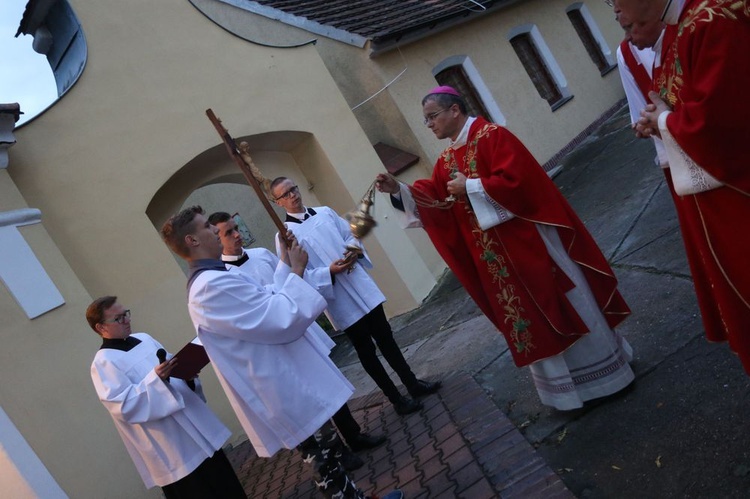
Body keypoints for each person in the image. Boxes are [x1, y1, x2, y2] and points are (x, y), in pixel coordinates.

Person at [375, 86, 635, 410]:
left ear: (454, 110)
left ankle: (605, 377)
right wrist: (399, 190)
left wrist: (470, 187)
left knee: (560, 301)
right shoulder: (445, 159)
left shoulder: (493, 136)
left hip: (527, 245)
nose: (429, 125)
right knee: (528, 317)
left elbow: (521, 183)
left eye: (432, 117)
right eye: (426, 120)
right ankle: (566, 394)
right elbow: (439, 200)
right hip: (496, 262)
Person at [160, 206, 402, 499]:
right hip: (279, 383)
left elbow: (268, 297)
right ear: (192, 241)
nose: (215, 231)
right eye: (207, 228)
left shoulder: (216, 278)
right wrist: (298, 271)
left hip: (285, 375)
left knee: (327, 453)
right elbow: (278, 318)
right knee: (322, 460)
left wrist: (287, 260)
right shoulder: (210, 287)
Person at [615, 0, 750, 374]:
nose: (617, 15)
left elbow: (725, 119)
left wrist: (665, 120)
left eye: (615, 3)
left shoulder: (710, 19)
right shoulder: (680, 26)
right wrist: (660, 117)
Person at [207, 211, 387, 459]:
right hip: (278, 341)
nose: (237, 235)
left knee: (327, 385)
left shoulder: (260, 255)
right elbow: (271, 297)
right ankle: (335, 453)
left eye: (236, 228)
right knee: (311, 397)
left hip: (299, 327)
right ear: (217, 239)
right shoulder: (226, 276)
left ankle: (354, 436)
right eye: (229, 232)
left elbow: (295, 275)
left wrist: (287, 255)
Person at [269, 178, 442, 416]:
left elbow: (351, 234)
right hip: (338, 297)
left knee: (386, 338)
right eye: (285, 194)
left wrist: (352, 251)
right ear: (277, 202)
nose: (293, 195)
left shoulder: (324, 212)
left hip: (359, 284)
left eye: (293, 189)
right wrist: (328, 271)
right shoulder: (285, 237)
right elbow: (298, 274)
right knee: (366, 350)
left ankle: (412, 384)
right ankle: (396, 399)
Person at [87, 296, 246, 498]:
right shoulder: (103, 363)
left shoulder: (144, 338)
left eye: (126, 314)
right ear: (100, 327)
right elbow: (123, 406)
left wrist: (187, 377)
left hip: (197, 429)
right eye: (118, 319)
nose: (127, 321)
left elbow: (172, 368)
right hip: (171, 445)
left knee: (226, 487)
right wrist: (157, 379)